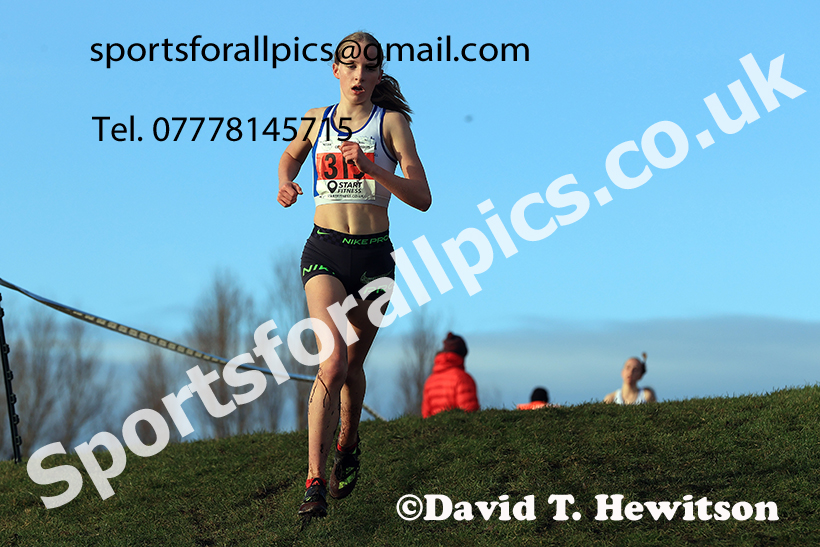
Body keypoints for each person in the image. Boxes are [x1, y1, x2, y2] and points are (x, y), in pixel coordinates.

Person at [277, 31, 431, 519]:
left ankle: (349, 442)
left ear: (379, 73)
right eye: (351, 66)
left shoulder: (393, 124)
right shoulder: (315, 119)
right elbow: (290, 156)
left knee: (354, 367)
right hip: (324, 251)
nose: (360, 75)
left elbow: (423, 196)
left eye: (369, 67)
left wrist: (372, 168)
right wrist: (285, 182)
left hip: (374, 258)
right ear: (335, 71)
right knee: (332, 364)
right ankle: (314, 481)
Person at [421, 333, 480, 418]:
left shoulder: (430, 381)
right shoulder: (463, 379)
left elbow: (426, 415)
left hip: (434, 430)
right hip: (457, 430)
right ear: (462, 355)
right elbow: (470, 413)